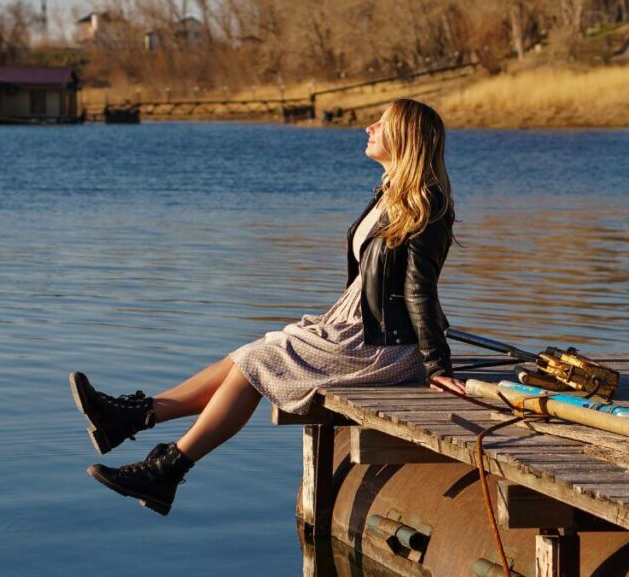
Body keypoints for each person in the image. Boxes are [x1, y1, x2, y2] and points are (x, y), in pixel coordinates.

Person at [69, 98, 466, 516]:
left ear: (404, 137)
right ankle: (136, 418)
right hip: (354, 327)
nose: (368, 127)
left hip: (385, 346)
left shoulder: (427, 205)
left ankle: (162, 463)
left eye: (381, 124)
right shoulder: (388, 196)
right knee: (257, 349)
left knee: (258, 361)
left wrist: (437, 367)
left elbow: (420, 291)